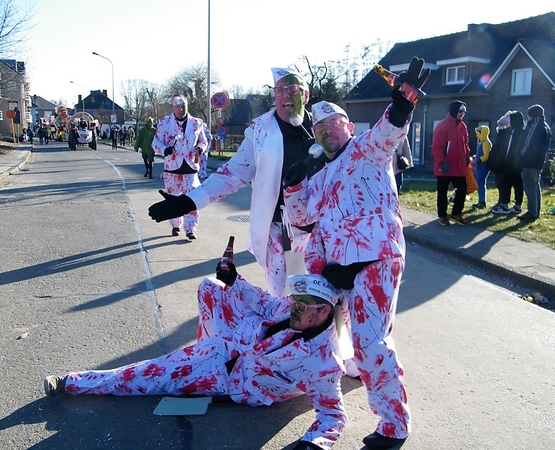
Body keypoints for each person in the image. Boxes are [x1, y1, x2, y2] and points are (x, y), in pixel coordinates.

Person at [282, 57, 430, 450]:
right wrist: (294, 186)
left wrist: (403, 103)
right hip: (331, 269)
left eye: (335, 124)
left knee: (369, 341)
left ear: (349, 127)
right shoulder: (322, 175)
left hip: (375, 262)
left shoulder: (367, 150)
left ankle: (394, 424)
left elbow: (389, 131)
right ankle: (325, 416)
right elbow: (300, 221)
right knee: (309, 330)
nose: (328, 130)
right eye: (320, 126)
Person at [44, 268, 346, 450]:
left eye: (300, 305)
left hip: (231, 378)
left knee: (150, 374)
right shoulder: (296, 311)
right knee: (211, 285)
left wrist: (311, 445)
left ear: (322, 312)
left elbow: (333, 416)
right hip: (231, 346)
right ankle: (200, 351)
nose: (292, 306)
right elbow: (268, 305)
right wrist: (234, 280)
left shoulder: (324, 362)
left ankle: (72, 382)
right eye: (294, 300)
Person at [148, 68, 322, 297]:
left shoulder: (326, 127)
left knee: (327, 308)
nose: (285, 96)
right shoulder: (260, 133)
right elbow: (232, 174)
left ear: (305, 96)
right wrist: (189, 201)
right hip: (282, 234)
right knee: (287, 305)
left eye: (292, 89)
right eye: (279, 90)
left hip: (324, 232)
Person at [152, 95, 208, 241]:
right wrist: (164, 149)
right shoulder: (165, 122)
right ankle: (176, 224)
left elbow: (204, 141)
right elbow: (155, 142)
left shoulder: (196, 123)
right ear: (173, 108)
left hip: (190, 167)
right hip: (172, 168)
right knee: (173, 198)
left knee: (192, 199)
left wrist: (200, 149)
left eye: (183, 106)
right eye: (177, 106)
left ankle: (190, 229)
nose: (180, 109)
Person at [432, 100, 470, 226]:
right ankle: (442, 215)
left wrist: (467, 157)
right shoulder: (442, 126)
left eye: (464, 111)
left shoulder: (463, 126)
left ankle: (456, 213)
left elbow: (465, 144)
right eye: (460, 111)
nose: (462, 114)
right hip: (445, 167)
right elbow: (437, 147)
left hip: (459, 167)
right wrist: (441, 163)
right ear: (454, 111)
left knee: (462, 189)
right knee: (442, 192)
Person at [515, 104, 552, 221]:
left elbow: (529, 144)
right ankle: (535, 211)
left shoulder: (536, 126)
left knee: (530, 187)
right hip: (539, 161)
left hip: (530, 162)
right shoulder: (545, 126)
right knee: (535, 186)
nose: (527, 117)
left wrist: (521, 157)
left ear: (534, 115)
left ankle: (532, 212)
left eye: (529, 114)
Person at [489, 111, 525, 214]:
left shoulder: (515, 133)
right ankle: (518, 206)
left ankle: (504, 206)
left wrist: (507, 159)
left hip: (512, 162)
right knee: (518, 184)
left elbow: (511, 148)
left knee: (506, 183)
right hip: (518, 163)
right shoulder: (522, 131)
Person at [473, 125, 491, 208]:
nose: (476, 135)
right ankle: (480, 200)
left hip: (483, 166)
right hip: (479, 166)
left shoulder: (486, 143)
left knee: (481, 183)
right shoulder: (481, 142)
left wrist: (477, 160)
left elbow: (486, 156)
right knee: (479, 183)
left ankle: (482, 202)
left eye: (478, 133)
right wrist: (475, 157)